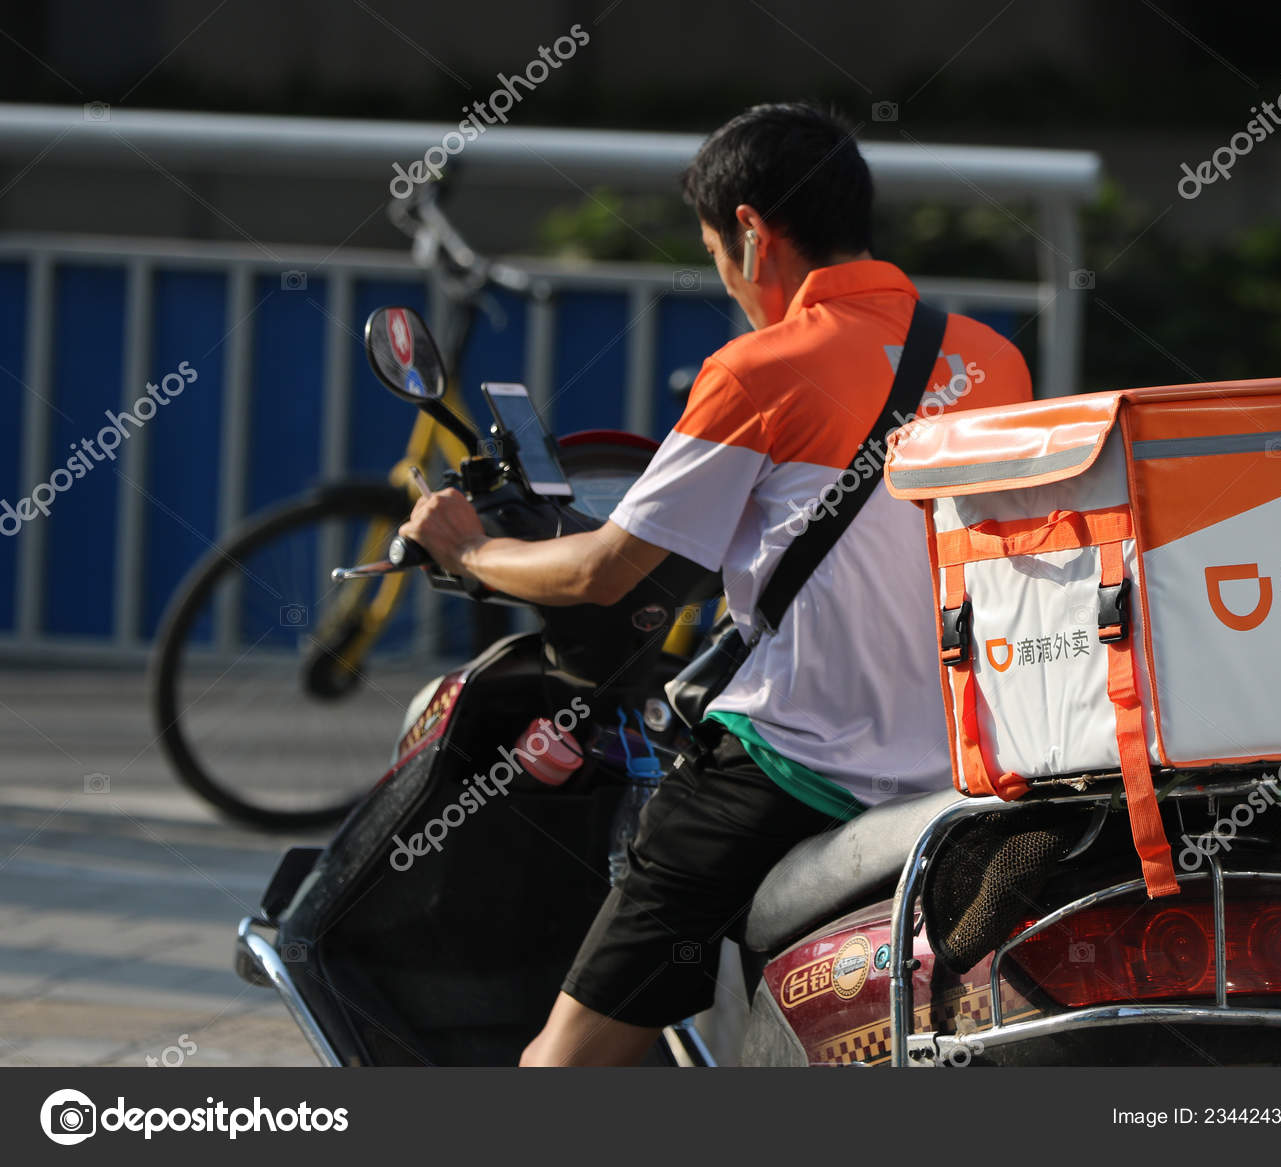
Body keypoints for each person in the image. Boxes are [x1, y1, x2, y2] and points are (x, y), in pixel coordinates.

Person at [399, 102, 1032, 1065]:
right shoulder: (994, 360)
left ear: (750, 233)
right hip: (963, 771)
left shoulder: (757, 371)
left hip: (796, 772)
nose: (731, 285)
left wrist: (469, 550)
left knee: (558, 1063)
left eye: (715, 255)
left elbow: (603, 571)